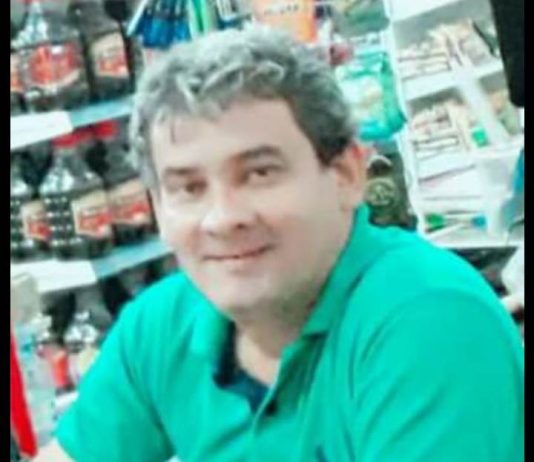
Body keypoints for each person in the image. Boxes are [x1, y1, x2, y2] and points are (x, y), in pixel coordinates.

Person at [35, 26, 524, 462]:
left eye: (260, 173)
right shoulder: (162, 326)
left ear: (346, 174)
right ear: (157, 210)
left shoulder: (429, 317)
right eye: (188, 187)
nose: (223, 218)